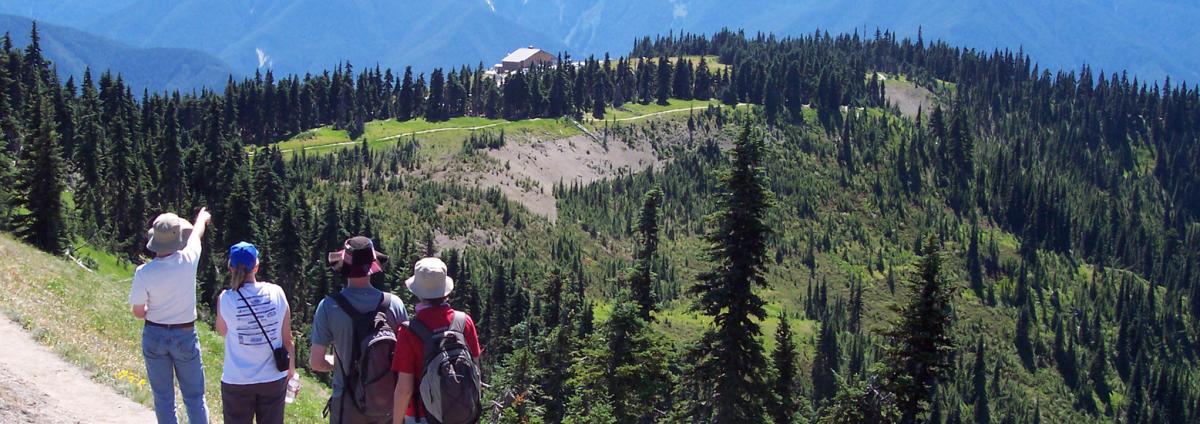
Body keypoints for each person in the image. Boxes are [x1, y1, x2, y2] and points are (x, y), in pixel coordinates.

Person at [310, 236, 409, 424]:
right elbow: (405, 358)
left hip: (347, 403)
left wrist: (340, 363)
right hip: (387, 404)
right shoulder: (394, 305)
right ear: (372, 267)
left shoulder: (329, 307)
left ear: (344, 267)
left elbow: (316, 362)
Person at [129, 208, 211, 424]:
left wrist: (154, 313)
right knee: (194, 397)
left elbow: (138, 312)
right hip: (184, 334)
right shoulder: (188, 260)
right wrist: (201, 218)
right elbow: (196, 235)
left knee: (163, 398)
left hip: (154, 334)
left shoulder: (144, 273)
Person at [391, 257, 482, 424]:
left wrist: (396, 422)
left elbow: (404, 389)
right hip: (460, 414)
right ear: (445, 290)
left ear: (418, 292)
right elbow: (475, 371)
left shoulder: (408, 330)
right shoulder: (464, 322)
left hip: (421, 415)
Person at [215, 242, 295, 424]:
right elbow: (287, 340)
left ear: (230, 267)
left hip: (236, 380)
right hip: (273, 379)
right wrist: (291, 372)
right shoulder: (277, 293)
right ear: (256, 267)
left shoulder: (226, 299)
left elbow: (223, 330)